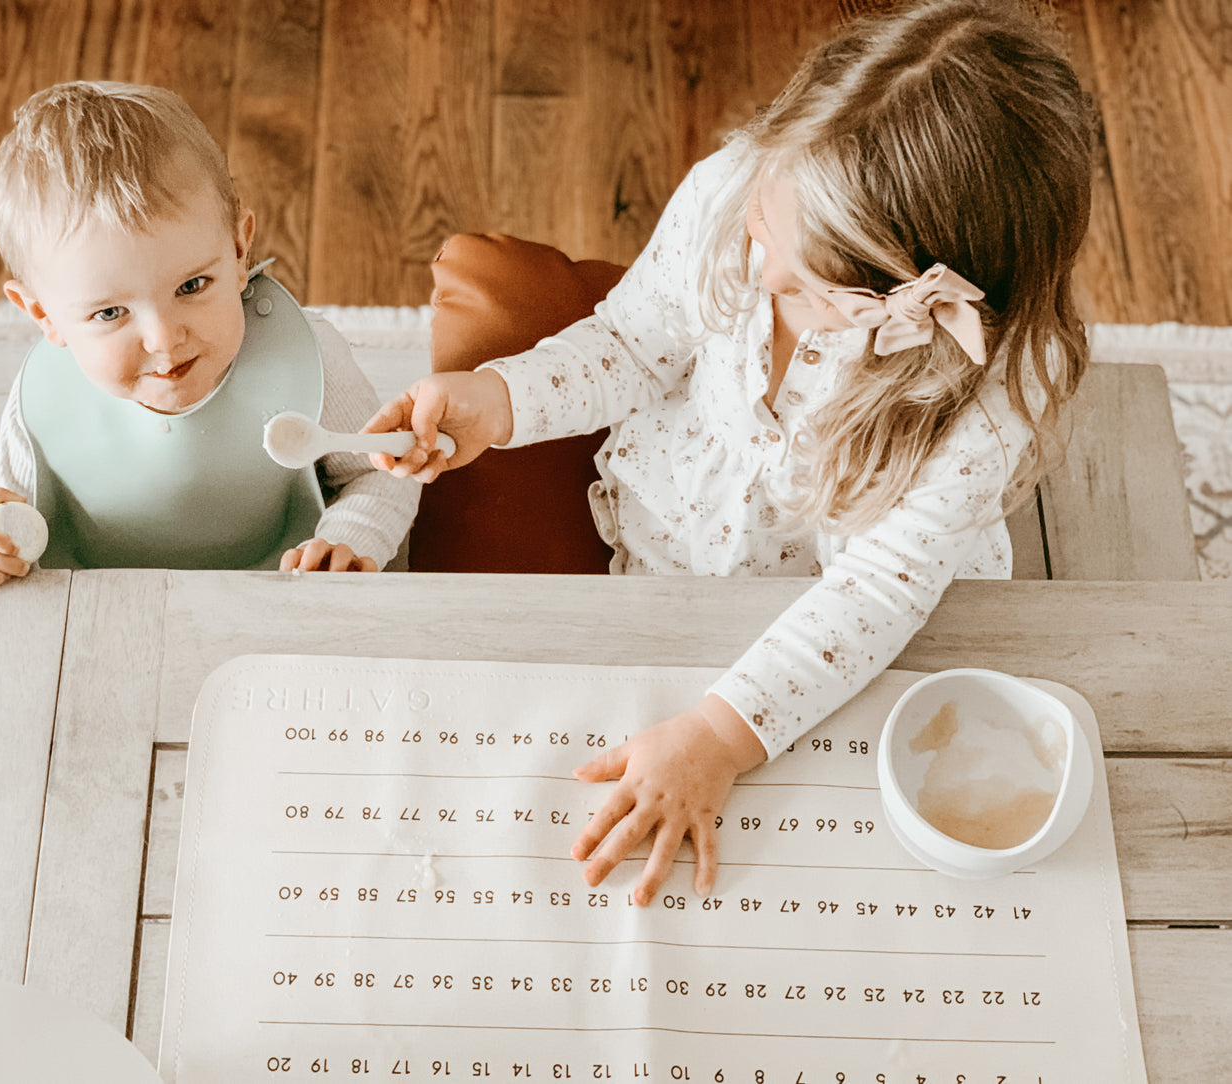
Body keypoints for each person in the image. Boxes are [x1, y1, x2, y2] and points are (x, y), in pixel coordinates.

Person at [364, 0, 1093, 904]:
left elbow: (877, 592)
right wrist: (499, 398)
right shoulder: (733, 188)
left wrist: (718, 737)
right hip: (664, 555)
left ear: (918, 294)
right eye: (762, 228)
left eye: (814, 287)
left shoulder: (994, 389)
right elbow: (631, 345)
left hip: (857, 633)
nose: (767, 276)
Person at [0, 81, 420, 589]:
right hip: (100, 614)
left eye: (192, 285)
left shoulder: (307, 357)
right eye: (110, 313)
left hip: (284, 599)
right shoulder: (47, 395)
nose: (164, 339)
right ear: (44, 315)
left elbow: (379, 470)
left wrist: (351, 543)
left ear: (239, 253)